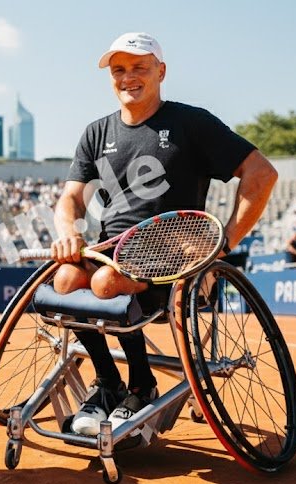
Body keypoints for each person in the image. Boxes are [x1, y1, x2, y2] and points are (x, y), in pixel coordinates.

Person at [50, 32, 278, 436]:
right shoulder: (96, 133)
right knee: (66, 280)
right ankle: (108, 385)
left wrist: (224, 243)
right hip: (113, 251)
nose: (128, 77)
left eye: (139, 67)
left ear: (161, 71)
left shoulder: (191, 122)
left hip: (176, 255)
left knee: (104, 283)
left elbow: (261, 174)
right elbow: (71, 199)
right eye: (119, 70)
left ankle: (141, 384)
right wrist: (68, 231)